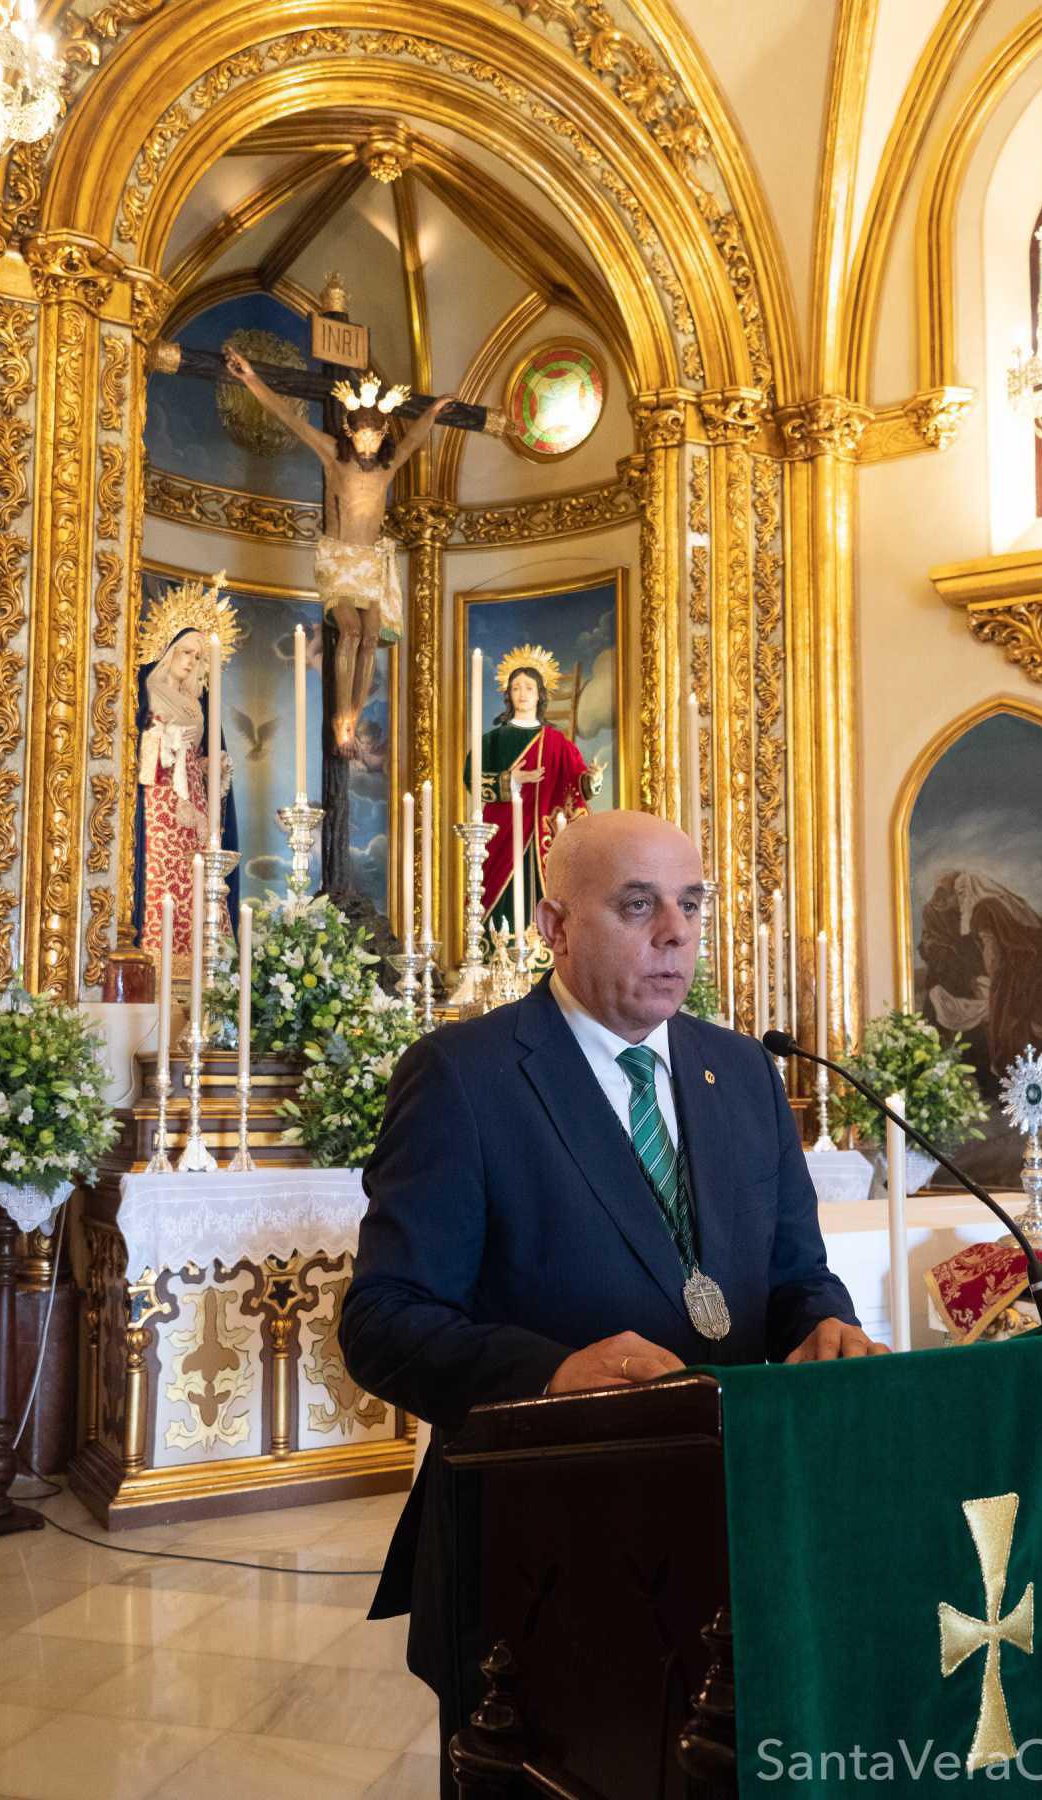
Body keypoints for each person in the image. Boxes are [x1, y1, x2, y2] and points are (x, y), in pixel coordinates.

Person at [340, 809, 878, 1793]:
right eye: (638, 906)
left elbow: (797, 1272)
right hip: (543, 1556)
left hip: (734, 1524)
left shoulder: (742, 1075)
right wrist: (546, 1372)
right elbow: (384, 1321)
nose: (674, 931)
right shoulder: (466, 1078)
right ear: (554, 924)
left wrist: (824, 1326)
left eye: (690, 903)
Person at [223, 348, 457, 757]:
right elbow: (290, 419)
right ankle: (340, 720)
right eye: (362, 435)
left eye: (375, 436)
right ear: (351, 433)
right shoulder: (334, 454)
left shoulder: (387, 466)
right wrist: (250, 378)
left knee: (370, 638)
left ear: (382, 435)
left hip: (372, 560)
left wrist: (433, 412)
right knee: (348, 630)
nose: (368, 443)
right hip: (339, 558)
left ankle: (354, 712)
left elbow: (416, 437)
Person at [462, 644, 602, 936]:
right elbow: (472, 779)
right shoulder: (493, 741)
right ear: (508, 695)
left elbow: (577, 784)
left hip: (543, 835)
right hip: (501, 833)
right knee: (497, 890)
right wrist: (512, 780)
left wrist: (592, 779)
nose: (522, 693)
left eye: (529, 687)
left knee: (544, 893)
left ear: (540, 695)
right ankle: (498, 954)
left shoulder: (557, 742)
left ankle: (543, 953)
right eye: (516, 688)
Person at [133, 628, 237, 960]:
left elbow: (198, 753)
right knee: (164, 873)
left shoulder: (195, 701)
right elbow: (141, 742)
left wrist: (211, 766)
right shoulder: (150, 690)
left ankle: (202, 958)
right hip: (163, 793)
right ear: (169, 651)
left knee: (199, 875)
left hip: (193, 793)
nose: (191, 662)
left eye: (198, 656)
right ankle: (159, 956)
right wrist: (166, 736)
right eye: (186, 652)